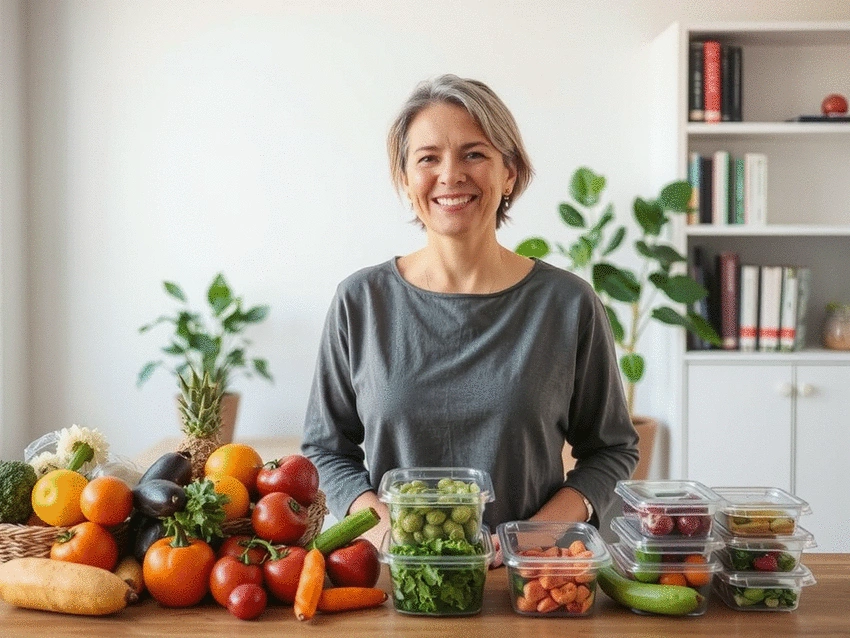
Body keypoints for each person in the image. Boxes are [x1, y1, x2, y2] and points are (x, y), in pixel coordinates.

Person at [301, 74, 638, 560]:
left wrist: (528, 539)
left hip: (528, 580)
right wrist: (385, 532)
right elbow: (326, 451)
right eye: (428, 157)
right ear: (404, 179)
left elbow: (611, 451)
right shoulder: (360, 301)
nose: (451, 174)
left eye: (474, 154)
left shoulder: (568, 304)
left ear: (511, 174)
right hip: (400, 581)